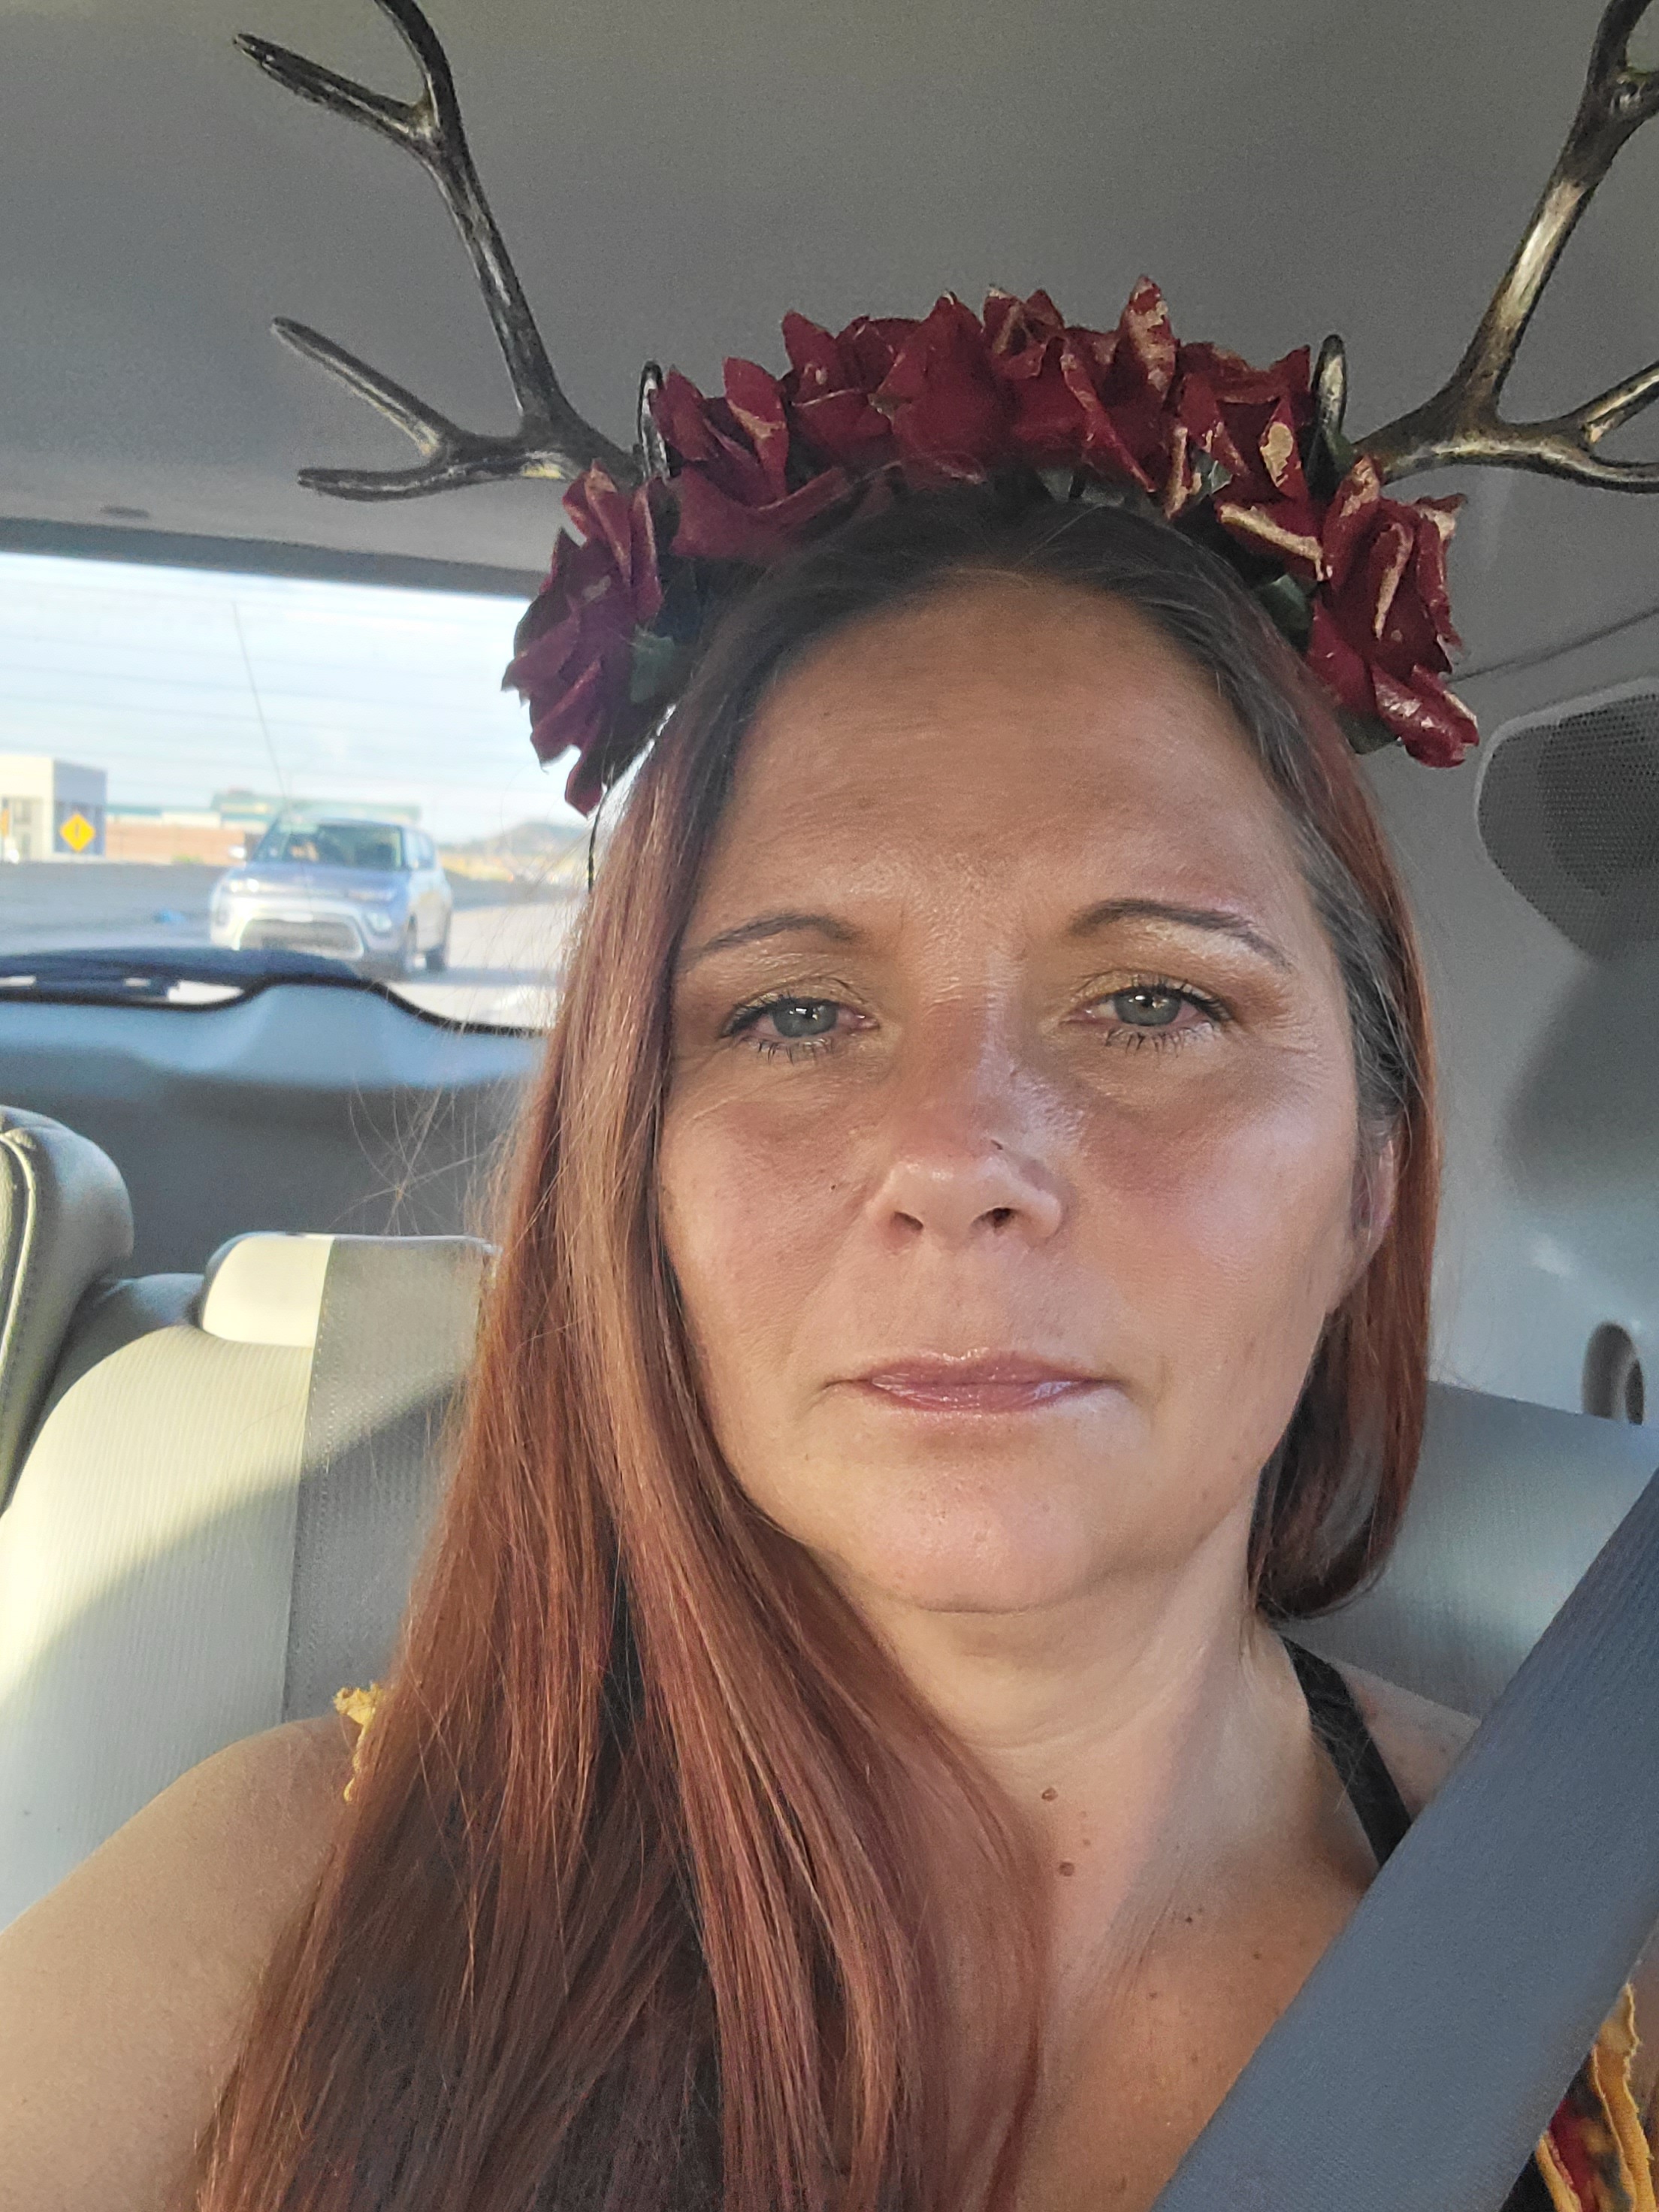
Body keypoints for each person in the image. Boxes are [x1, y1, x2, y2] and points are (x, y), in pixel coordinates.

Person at [1, 490, 1651, 2212]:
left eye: (1155, 1001)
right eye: (795, 1014)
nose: (959, 1157)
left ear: (1373, 1172)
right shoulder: (276, 1912)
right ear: (634, 1169)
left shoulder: (1610, 1946)